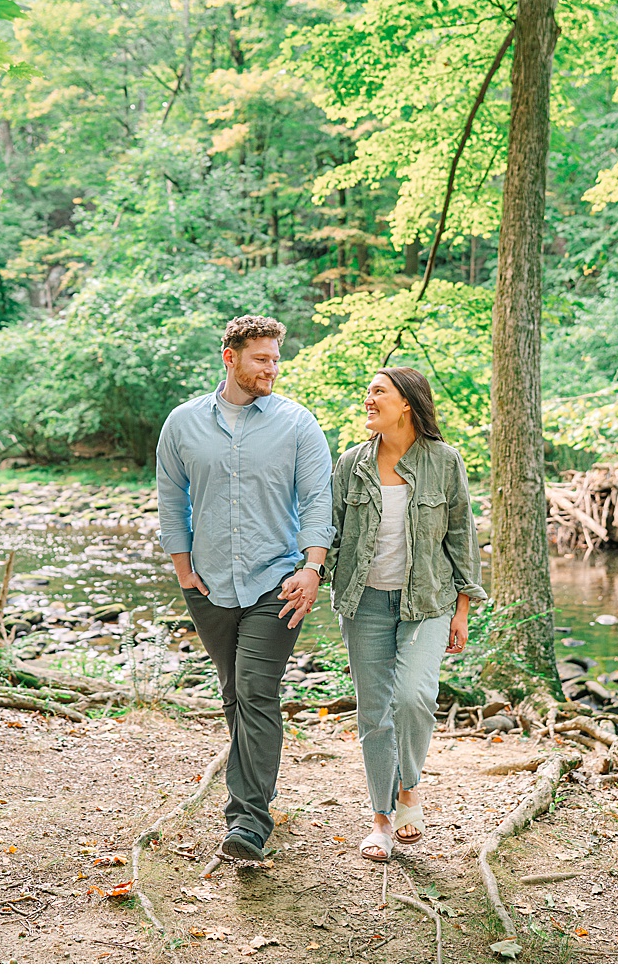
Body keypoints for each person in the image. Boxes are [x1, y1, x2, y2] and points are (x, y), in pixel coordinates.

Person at [155, 315, 335, 862]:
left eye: (276, 359)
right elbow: (171, 498)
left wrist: (312, 567)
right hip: (207, 584)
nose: (272, 369)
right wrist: (183, 569)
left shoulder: (298, 424)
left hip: (277, 581)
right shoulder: (183, 423)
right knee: (235, 693)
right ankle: (254, 788)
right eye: (261, 359)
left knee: (256, 690)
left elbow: (318, 500)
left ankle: (248, 822)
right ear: (230, 357)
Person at [326, 367, 488, 860]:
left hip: (428, 603)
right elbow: (332, 533)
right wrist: (308, 575)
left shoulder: (444, 461)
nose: (368, 399)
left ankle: (408, 789)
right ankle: (381, 821)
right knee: (374, 713)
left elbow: (461, 536)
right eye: (368, 391)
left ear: (407, 404)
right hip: (364, 603)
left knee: (414, 698)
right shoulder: (350, 464)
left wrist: (462, 609)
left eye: (378, 391)